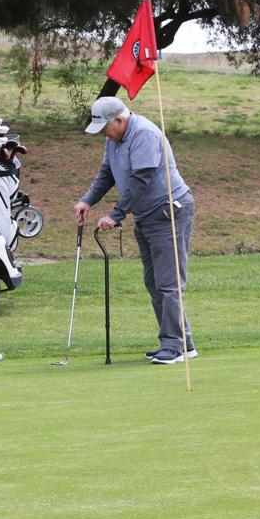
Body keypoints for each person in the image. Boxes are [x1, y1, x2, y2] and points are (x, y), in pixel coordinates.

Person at [72, 97, 198, 364]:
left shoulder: (144, 134)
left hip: (168, 212)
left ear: (119, 120)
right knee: (154, 282)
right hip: (146, 215)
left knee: (169, 283)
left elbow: (142, 180)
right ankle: (183, 342)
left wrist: (116, 215)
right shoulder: (114, 139)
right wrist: (87, 201)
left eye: (106, 127)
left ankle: (173, 346)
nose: (104, 134)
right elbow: (106, 174)